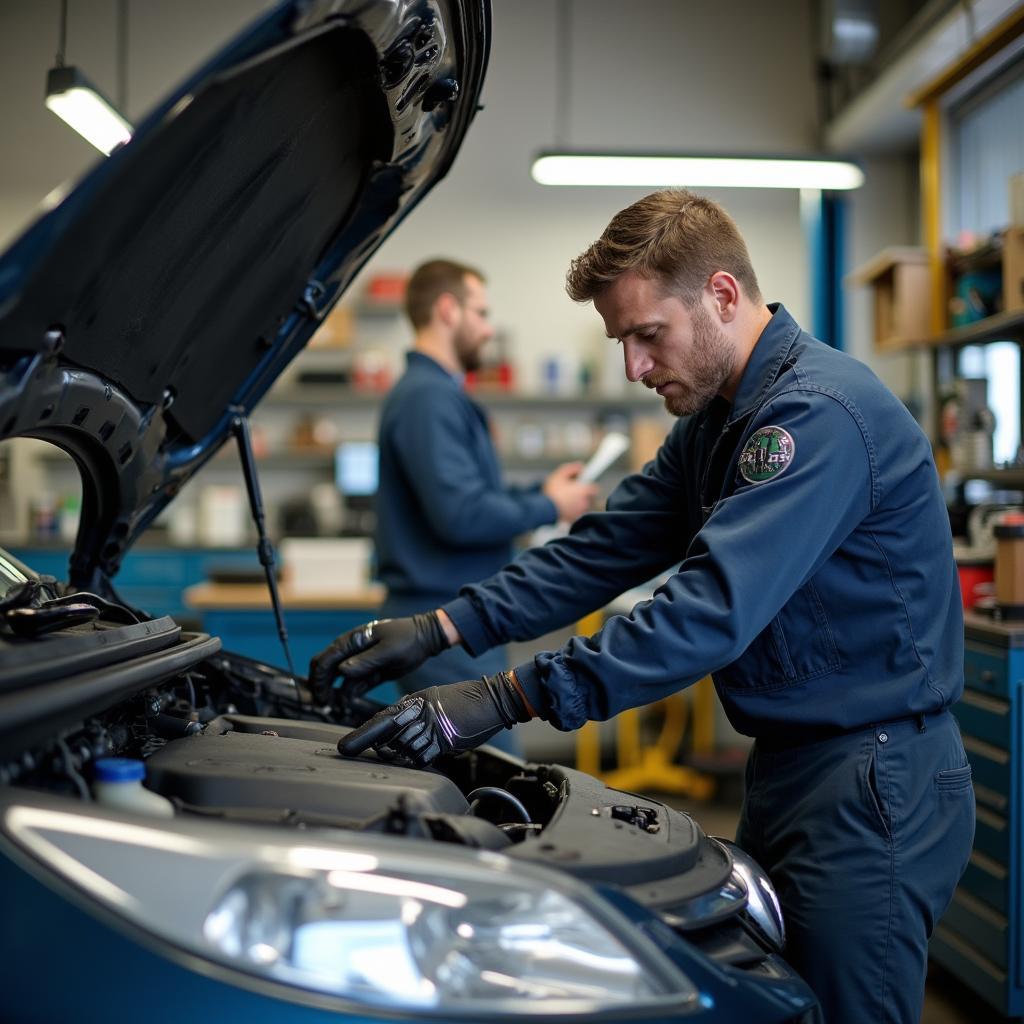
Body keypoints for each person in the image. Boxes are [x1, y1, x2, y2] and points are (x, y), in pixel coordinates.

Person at [317, 192, 974, 1024]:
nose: (633, 365)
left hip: (874, 778)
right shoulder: (716, 424)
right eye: (620, 341)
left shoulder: (814, 417)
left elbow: (705, 612)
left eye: (646, 334)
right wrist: (444, 627)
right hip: (796, 768)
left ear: (724, 296)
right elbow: (603, 547)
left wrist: (502, 697)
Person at [309, 259, 596, 748]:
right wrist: (548, 506)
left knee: (476, 779)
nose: (488, 329)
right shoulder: (428, 399)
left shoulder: (435, 395)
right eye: (480, 313)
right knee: (497, 781)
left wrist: (543, 495)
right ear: (447, 310)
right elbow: (461, 516)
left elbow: (472, 499)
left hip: (456, 620)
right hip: (441, 625)